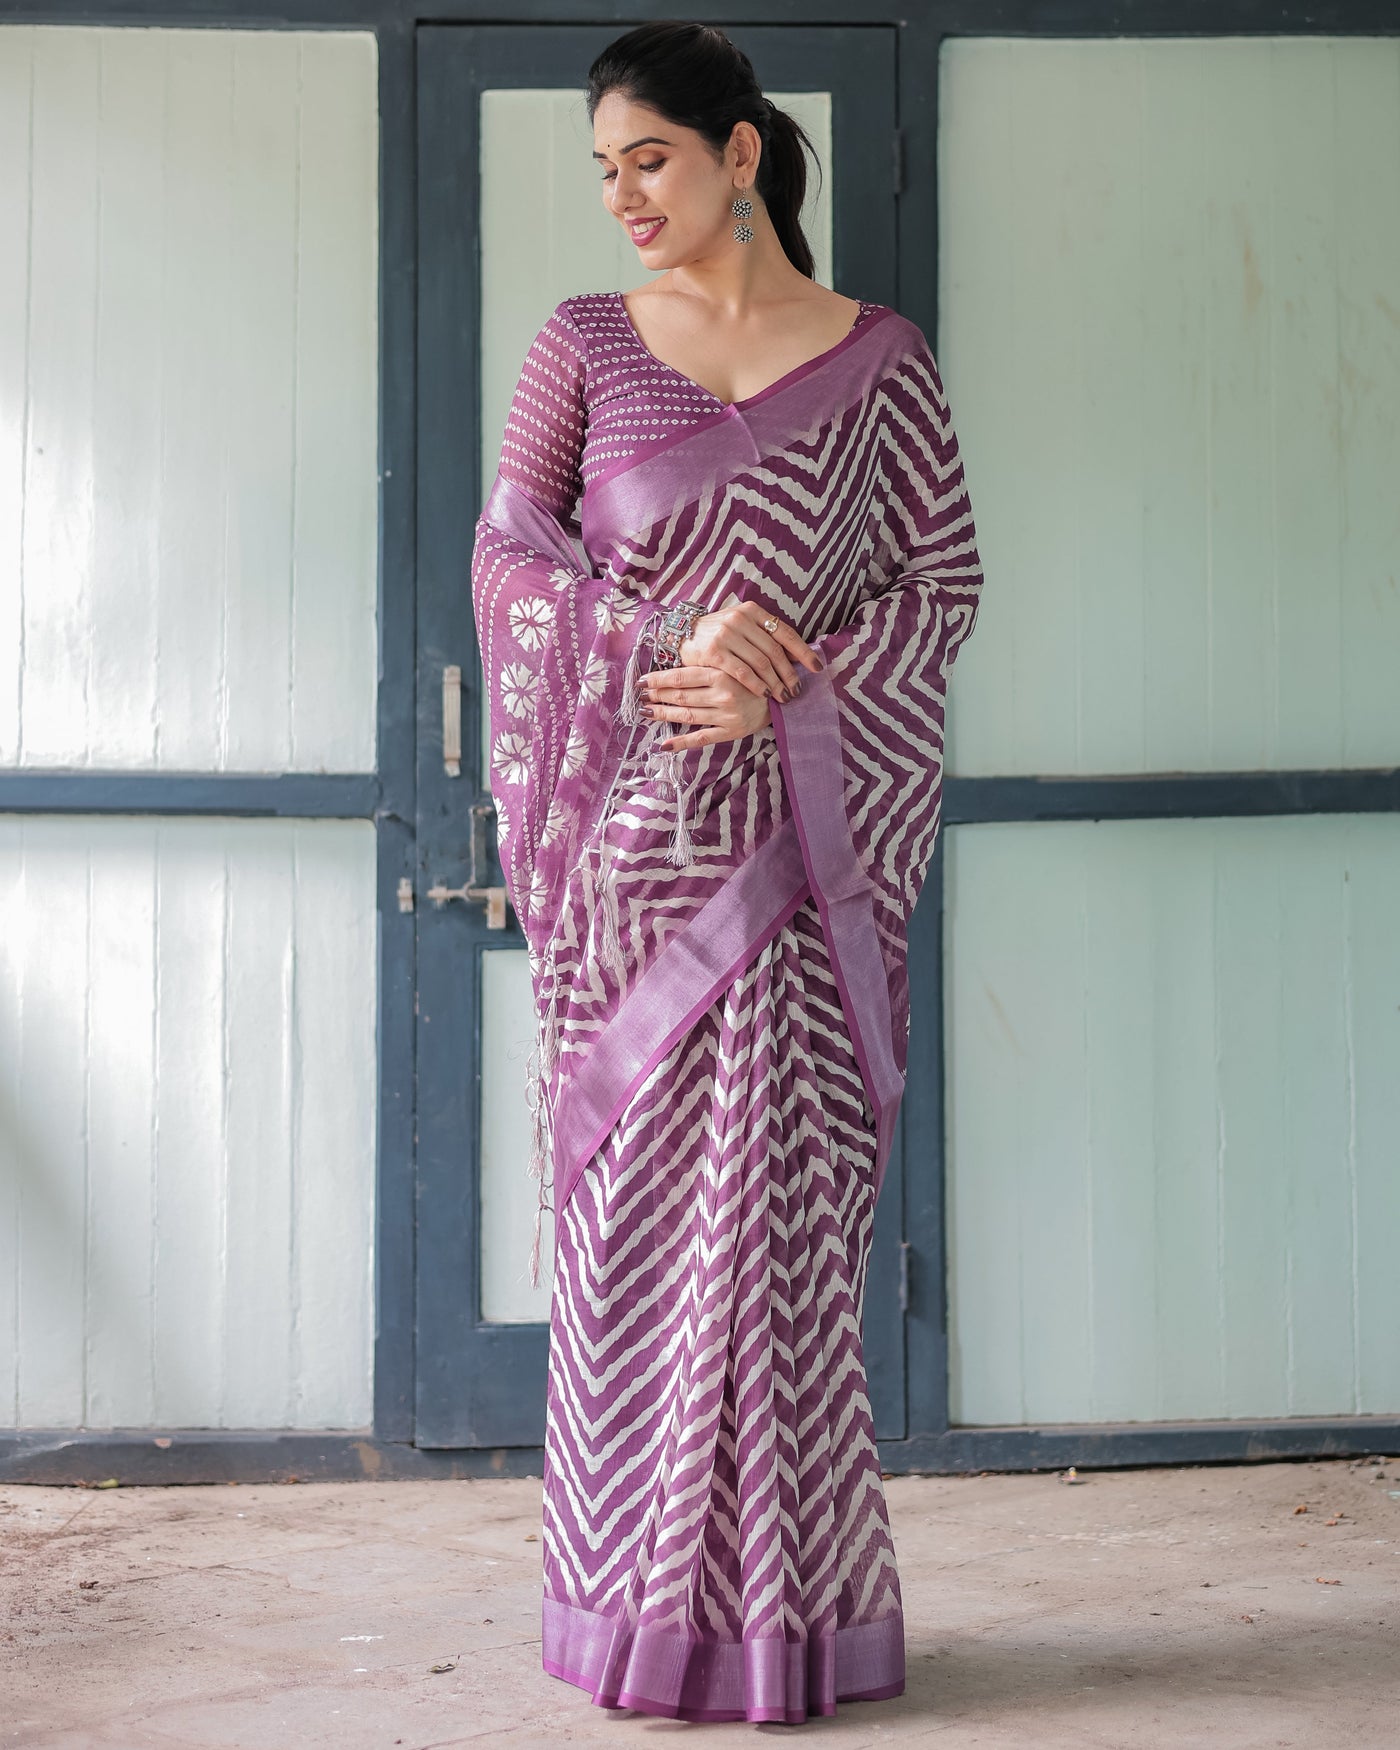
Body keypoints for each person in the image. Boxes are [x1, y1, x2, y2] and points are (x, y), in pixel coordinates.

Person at [470, 19, 984, 1726]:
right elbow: (511, 568)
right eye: (604, 170)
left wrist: (804, 673)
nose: (624, 197)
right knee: (629, 1258)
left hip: (807, 878)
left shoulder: (882, 361)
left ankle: (794, 1628)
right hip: (635, 882)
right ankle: (631, 1618)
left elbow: (941, 582)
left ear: (740, 152)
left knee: (779, 1262)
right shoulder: (583, 348)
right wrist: (672, 633)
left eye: (653, 160)